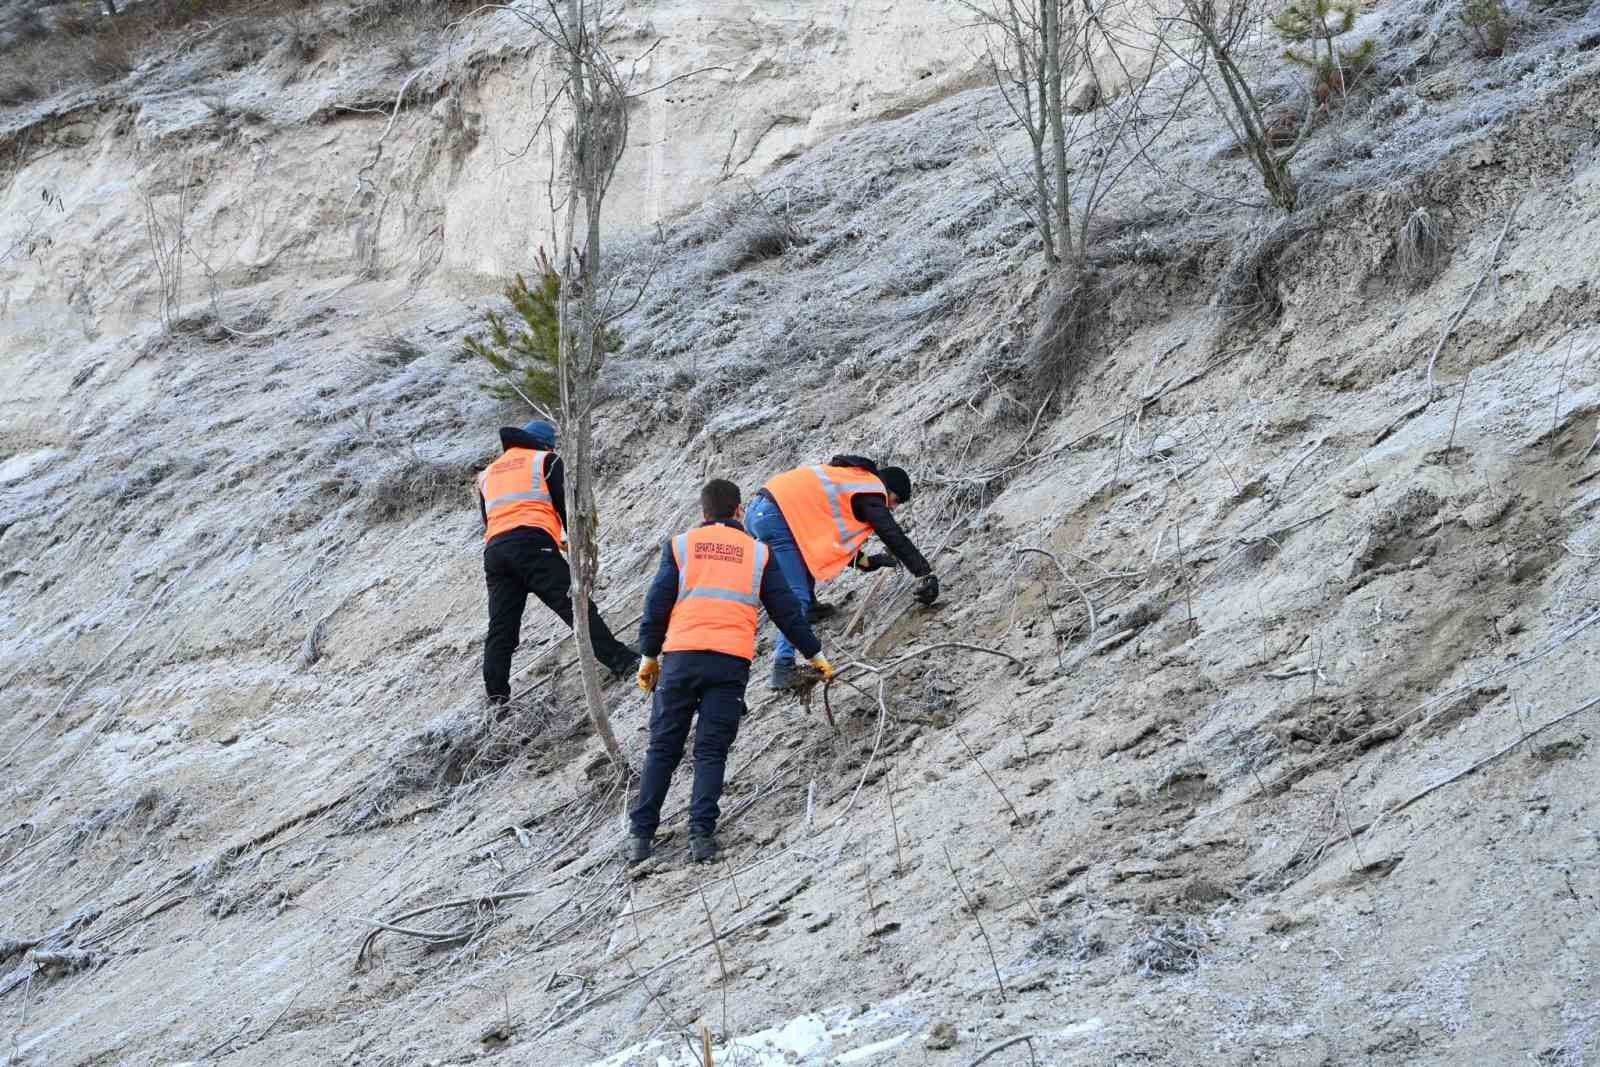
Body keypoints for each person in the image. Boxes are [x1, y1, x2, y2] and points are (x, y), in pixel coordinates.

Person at [627, 478, 834, 864]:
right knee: (711, 751)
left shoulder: (680, 545)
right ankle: (701, 837)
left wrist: (648, 656)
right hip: (729, 663)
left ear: (704, 513)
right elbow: (787, 612)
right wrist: (815, 654)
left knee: (663, 747)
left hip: (681, 659)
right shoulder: (759, 554)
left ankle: (640, 838)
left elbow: (657, 604)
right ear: (739, 511)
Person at [477, 419, 639, 704]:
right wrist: (578, 544)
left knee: (502, 628)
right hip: (532, 547)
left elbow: (492, 520)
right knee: (576, 606)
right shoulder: (545, 460)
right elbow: (569, 510)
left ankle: (497, 698)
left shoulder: (488, 473)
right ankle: (622, 662)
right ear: (545, 444)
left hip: (496, 553)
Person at [746, 455, 938, 689]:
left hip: (761, 510)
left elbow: (829, 542)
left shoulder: (850, 480)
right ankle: (783, 666)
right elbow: (891, 533)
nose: (892, 507)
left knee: (803, 559)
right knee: (797, 596)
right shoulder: (871, 489)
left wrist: (870, 562)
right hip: (776, 517)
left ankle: (811, 608)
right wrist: (924, 573)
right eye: (895, 500)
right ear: (887, 488)